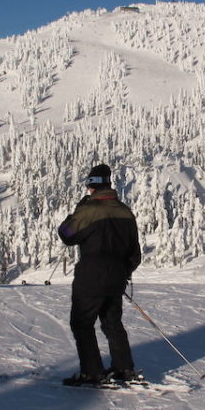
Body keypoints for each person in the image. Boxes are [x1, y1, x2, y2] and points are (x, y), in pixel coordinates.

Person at [58, 163, 143, 386]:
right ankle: (124, 369)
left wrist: (75, 213)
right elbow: (135, 254)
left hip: (90, 278)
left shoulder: (88, 210)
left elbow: (67, 234)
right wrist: (123, 272)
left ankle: (92, 372)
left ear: (93, 186)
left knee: (82, 323)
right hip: (116, 279)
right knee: (112, 323)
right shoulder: (125, 212)